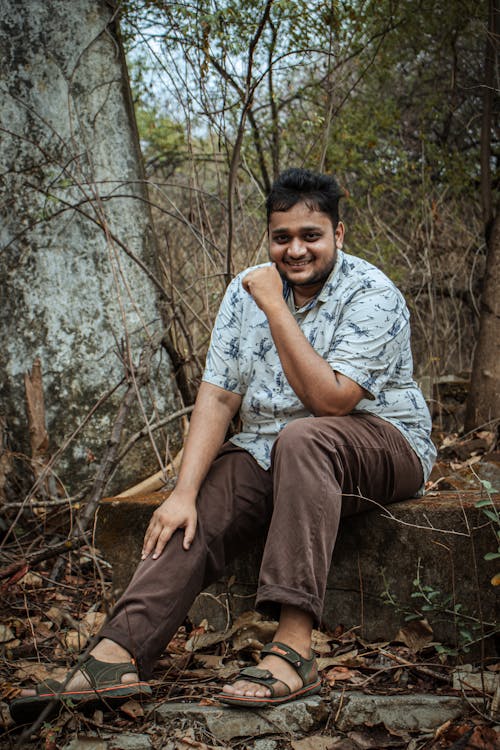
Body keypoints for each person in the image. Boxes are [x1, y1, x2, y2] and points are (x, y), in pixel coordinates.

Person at [11, 168, 436, 720]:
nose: (296, 249)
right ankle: (117, 652)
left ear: (339, 235)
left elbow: (332, 402)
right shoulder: (246, 291)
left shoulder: (372, 294)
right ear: (269, 237)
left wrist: (277, 308)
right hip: (273, 446)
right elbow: (217, 397)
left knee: (304, 438)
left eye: (312, 235)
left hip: (382, 442)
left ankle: (294, 647)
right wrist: (182, 492)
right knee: (204, 502)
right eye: (282, 237)